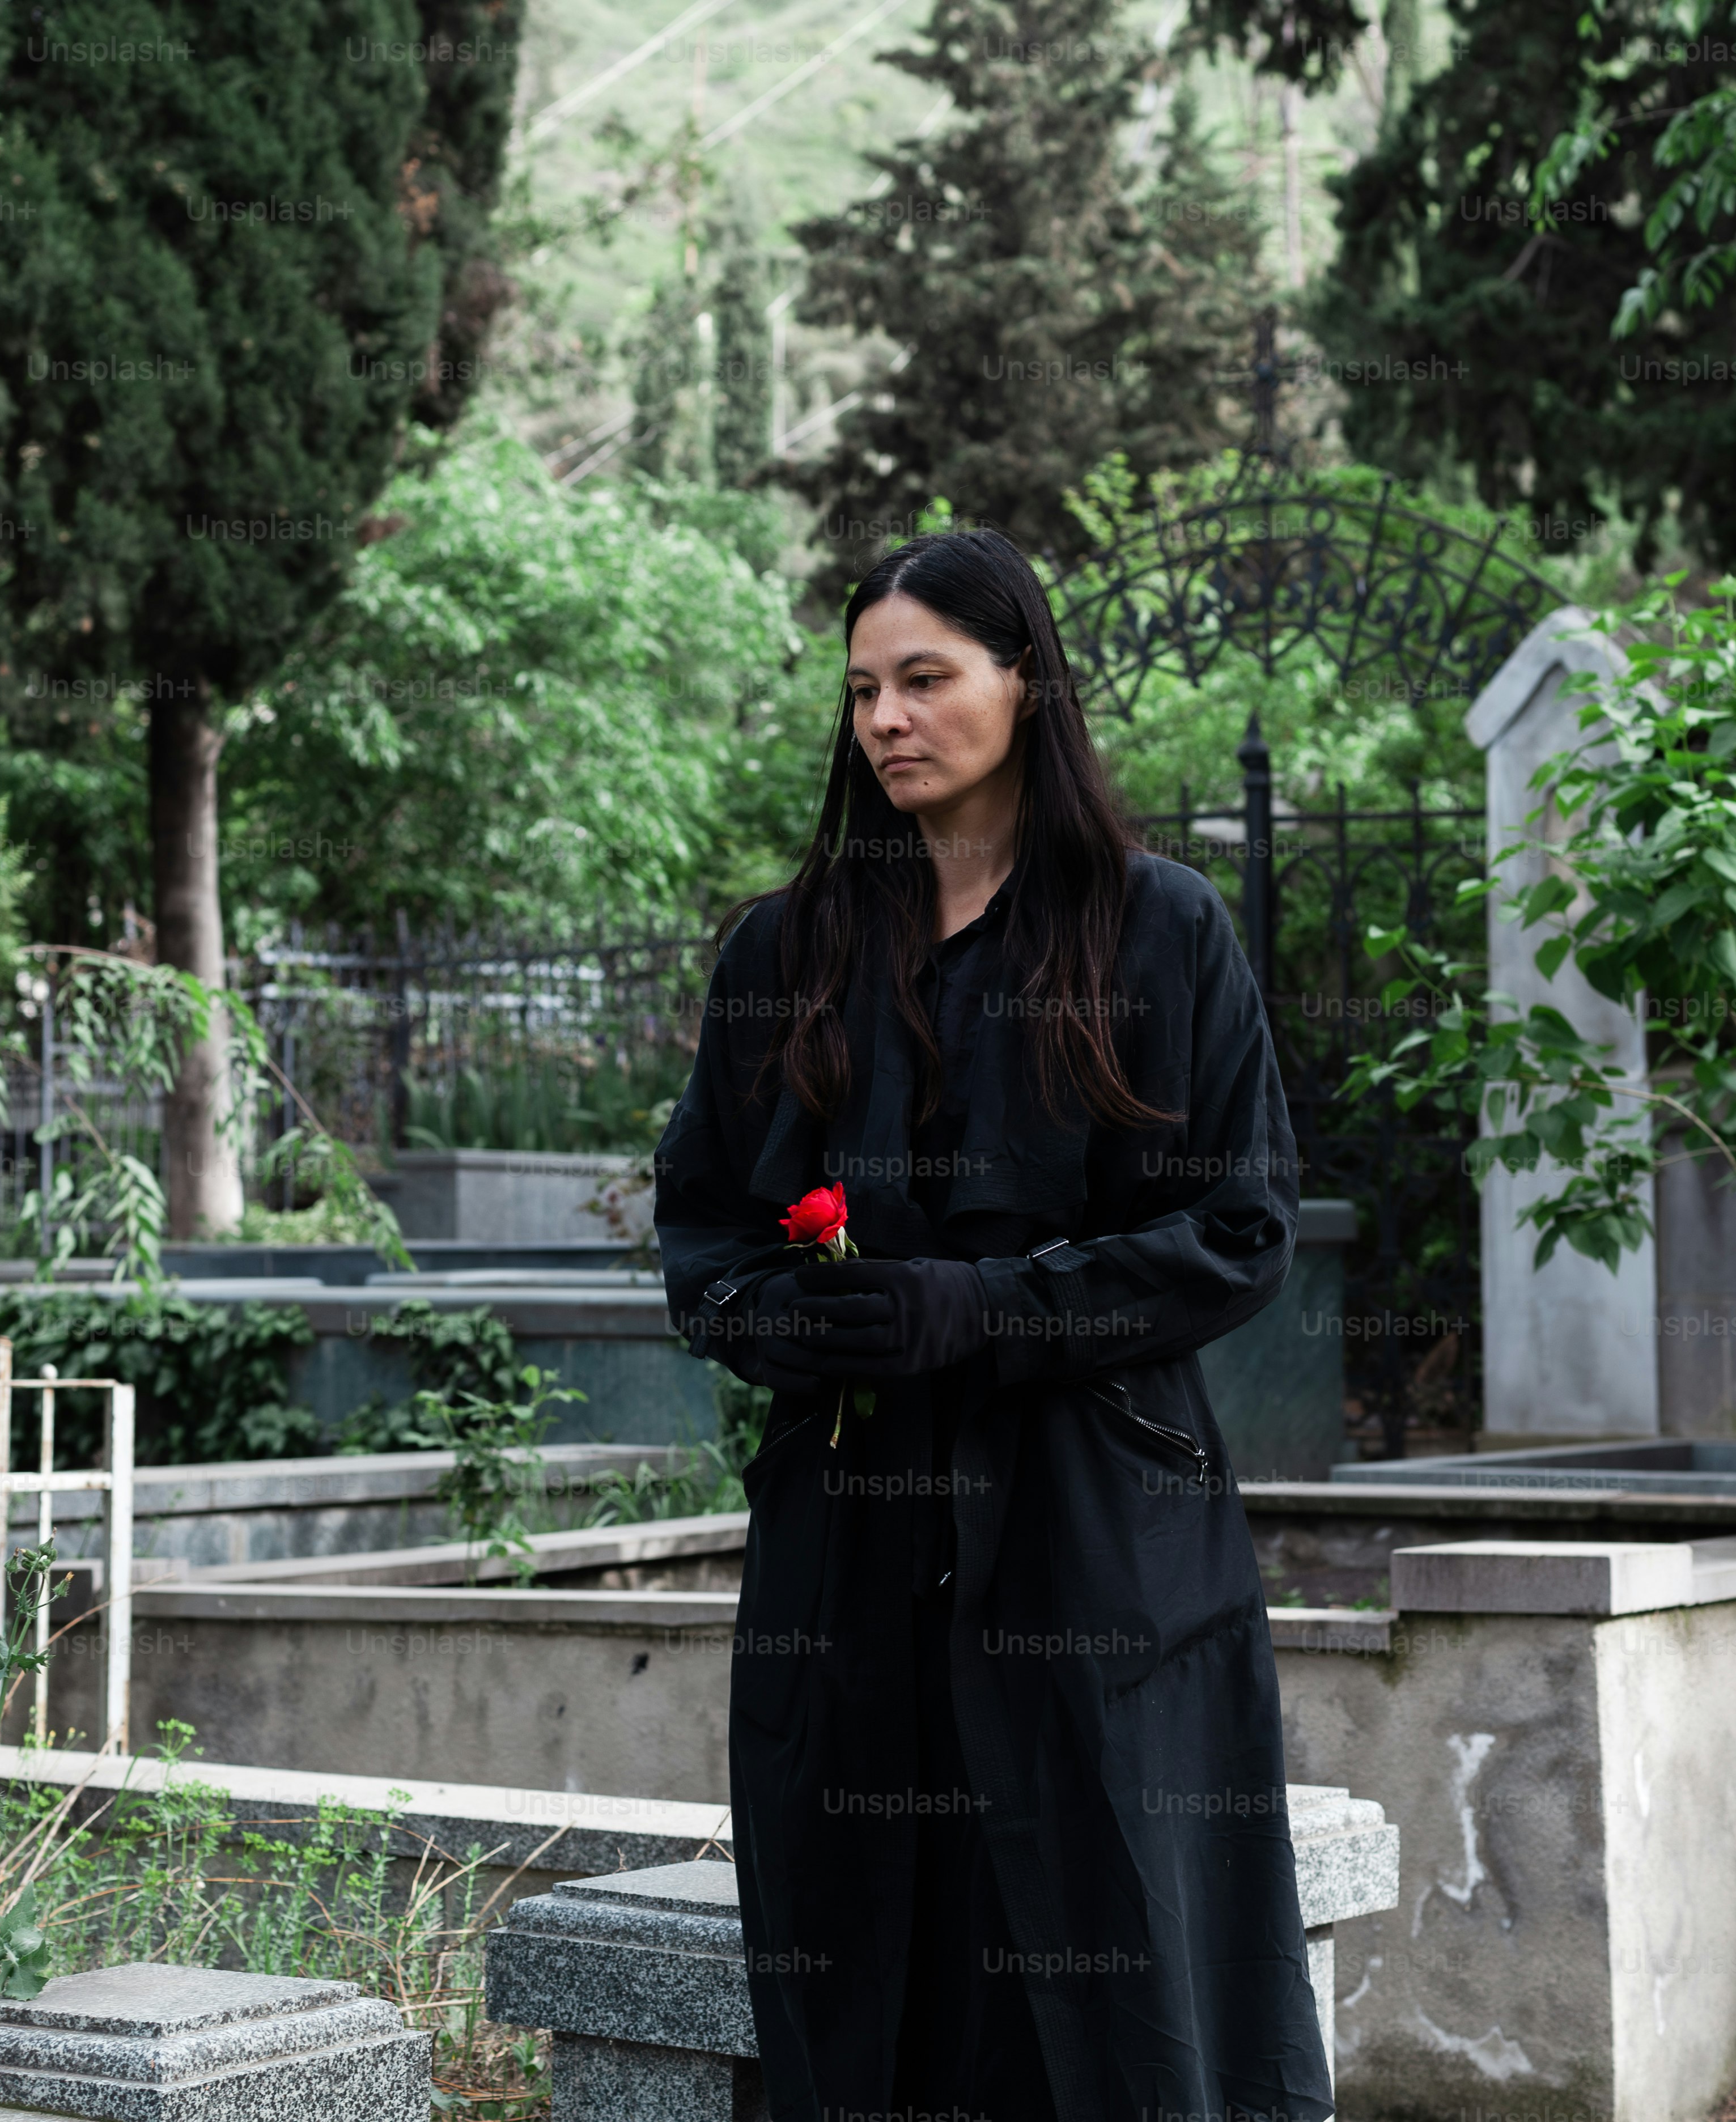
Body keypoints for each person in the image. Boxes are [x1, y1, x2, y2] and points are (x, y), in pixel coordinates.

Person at [655, 527, 1331, 2120]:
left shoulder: (1158, 931)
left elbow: (1239, 1231)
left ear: (1024, 686)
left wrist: (988, 1308)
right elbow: (705, 1237)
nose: (886, 718)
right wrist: (803, 1322)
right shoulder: (787, 953)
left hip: (1101, 1526)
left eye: (926, 679)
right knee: (865, 1926)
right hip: (850, 1529)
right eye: (863, 691)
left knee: (1115, 1948)